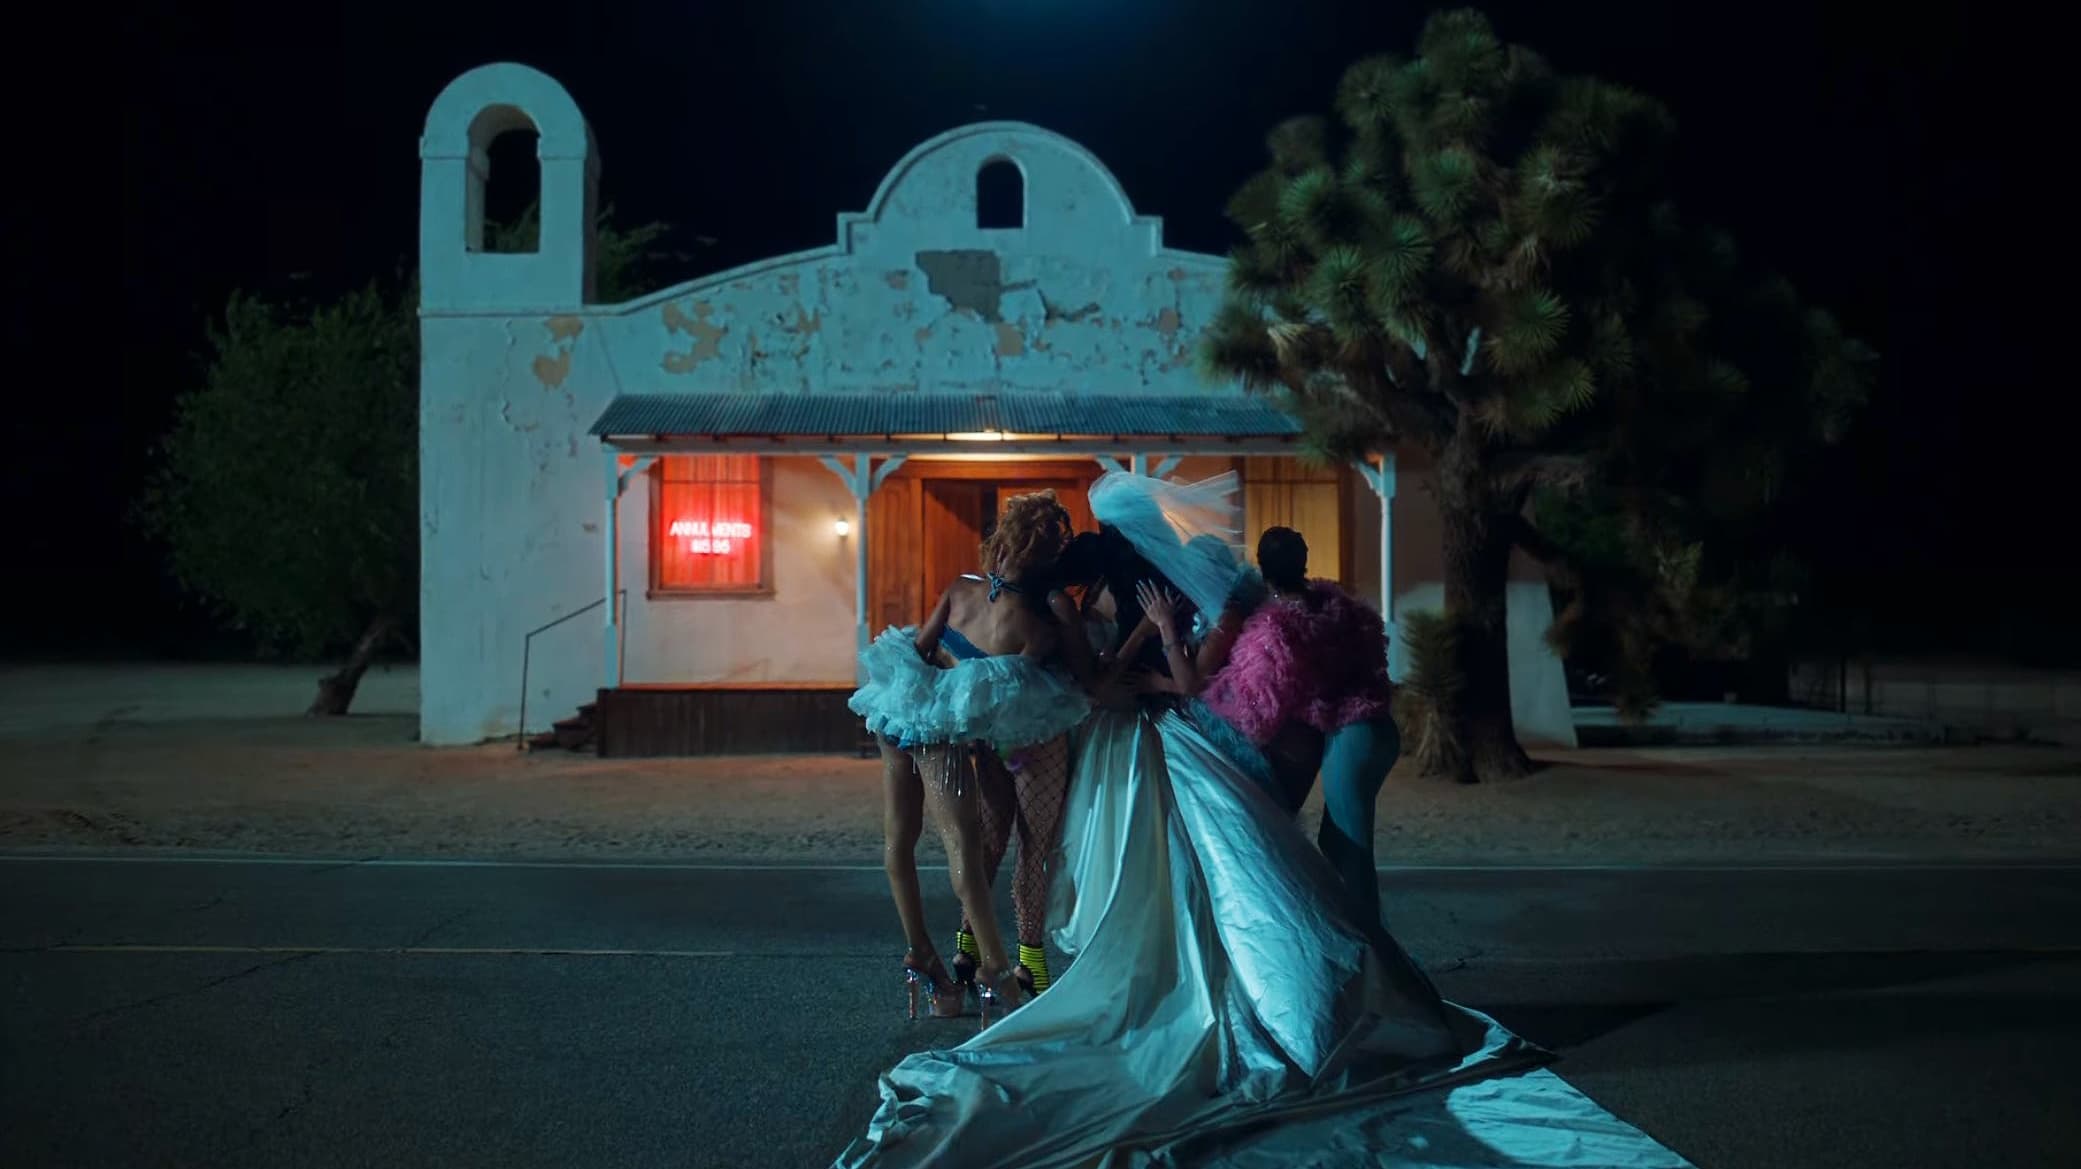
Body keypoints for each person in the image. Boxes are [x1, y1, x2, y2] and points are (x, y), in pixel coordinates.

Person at [832, 472, 1692, 1169]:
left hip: (1123, 735)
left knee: (1153, 869)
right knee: (1129, 867)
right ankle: (1004, 967)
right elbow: (1117, 677)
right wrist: (1129, 654)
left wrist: (1137, 654)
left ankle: (997, 969)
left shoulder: (1061, 603)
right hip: (1121, 733)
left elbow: (1163, 681)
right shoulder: (1092, 602)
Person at [847, 491, 1092, 1026]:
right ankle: (1024, 964)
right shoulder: (1042, 617)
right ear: (1051, 555)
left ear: (1002, 542)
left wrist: (958, 677)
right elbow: (1075, 679)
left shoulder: (960, 588)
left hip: (959, 730)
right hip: (1024, 736)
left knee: (973, 839)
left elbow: (924, 650)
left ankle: (964, 950)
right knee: (1033, 844)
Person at [1142, 525, 1402, 928]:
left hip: (1351, 735)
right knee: (1338, 844)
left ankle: (1377, 957)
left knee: (1350, 850)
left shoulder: (1274, 628)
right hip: (1376, 729)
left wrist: (1173, 670)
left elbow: (1255, 712)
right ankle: (1372, 948)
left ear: (1262, 568)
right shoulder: (1334, 605)